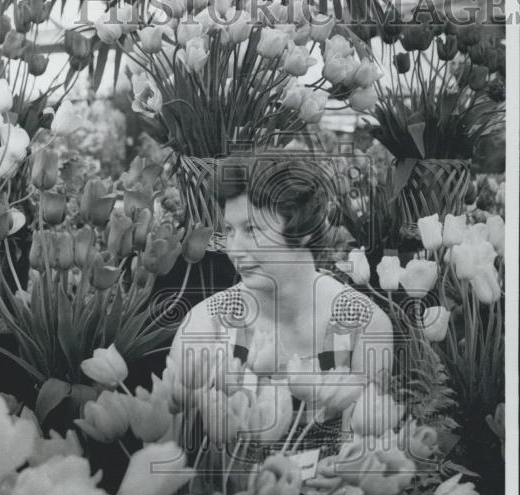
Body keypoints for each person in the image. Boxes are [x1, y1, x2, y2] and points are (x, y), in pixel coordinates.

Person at [167, 155, 394, 460]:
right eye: (230, 231)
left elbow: (365, 447)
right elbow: (178, 447)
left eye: (252, 230)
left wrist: (345, 473)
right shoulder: (206, 324)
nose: (234, 249)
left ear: (304, 232)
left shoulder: (363, 323)